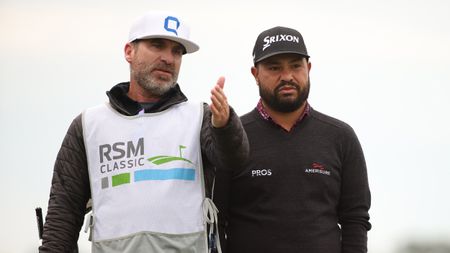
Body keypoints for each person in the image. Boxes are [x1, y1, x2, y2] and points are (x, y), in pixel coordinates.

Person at [39, 11, 249, 253]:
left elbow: (234, 160)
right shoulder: (89, 125)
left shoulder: (201, 116)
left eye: (176, 51)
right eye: (157, 45)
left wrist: (224, 126)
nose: (168, 58)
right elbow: (63, 211)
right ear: (129, 51)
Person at [214, 26, 371, 253]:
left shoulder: (340, 137)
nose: (287, 76)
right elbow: (215, 221)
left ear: (308, 68)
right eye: (274, 67)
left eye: (295, 66)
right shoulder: (232, 137)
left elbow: (355, 219)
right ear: (255, 74)